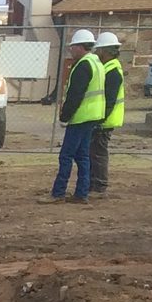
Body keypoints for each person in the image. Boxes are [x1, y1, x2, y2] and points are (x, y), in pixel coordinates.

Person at [49, 29, 105, 203]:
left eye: (73, 47)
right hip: (93, 116)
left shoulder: (82, 65)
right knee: (82, 156)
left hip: (81, 116)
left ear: (80, 47)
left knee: (66, 155)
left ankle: (58, 193)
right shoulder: (97, 63)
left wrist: (65, 116)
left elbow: (75, 94)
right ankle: (81, 193)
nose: (71, 50)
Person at [91, 30, 125, 195]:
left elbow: (109, 101)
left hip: (105, 121)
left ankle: (99, 186)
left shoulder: (112, 72)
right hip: (103, 119)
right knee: (95, 152)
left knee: (98, 153)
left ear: (105, 51)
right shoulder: (109, 68)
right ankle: (95, 184)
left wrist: (99, 119)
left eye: (98, 50)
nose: (96, 53)